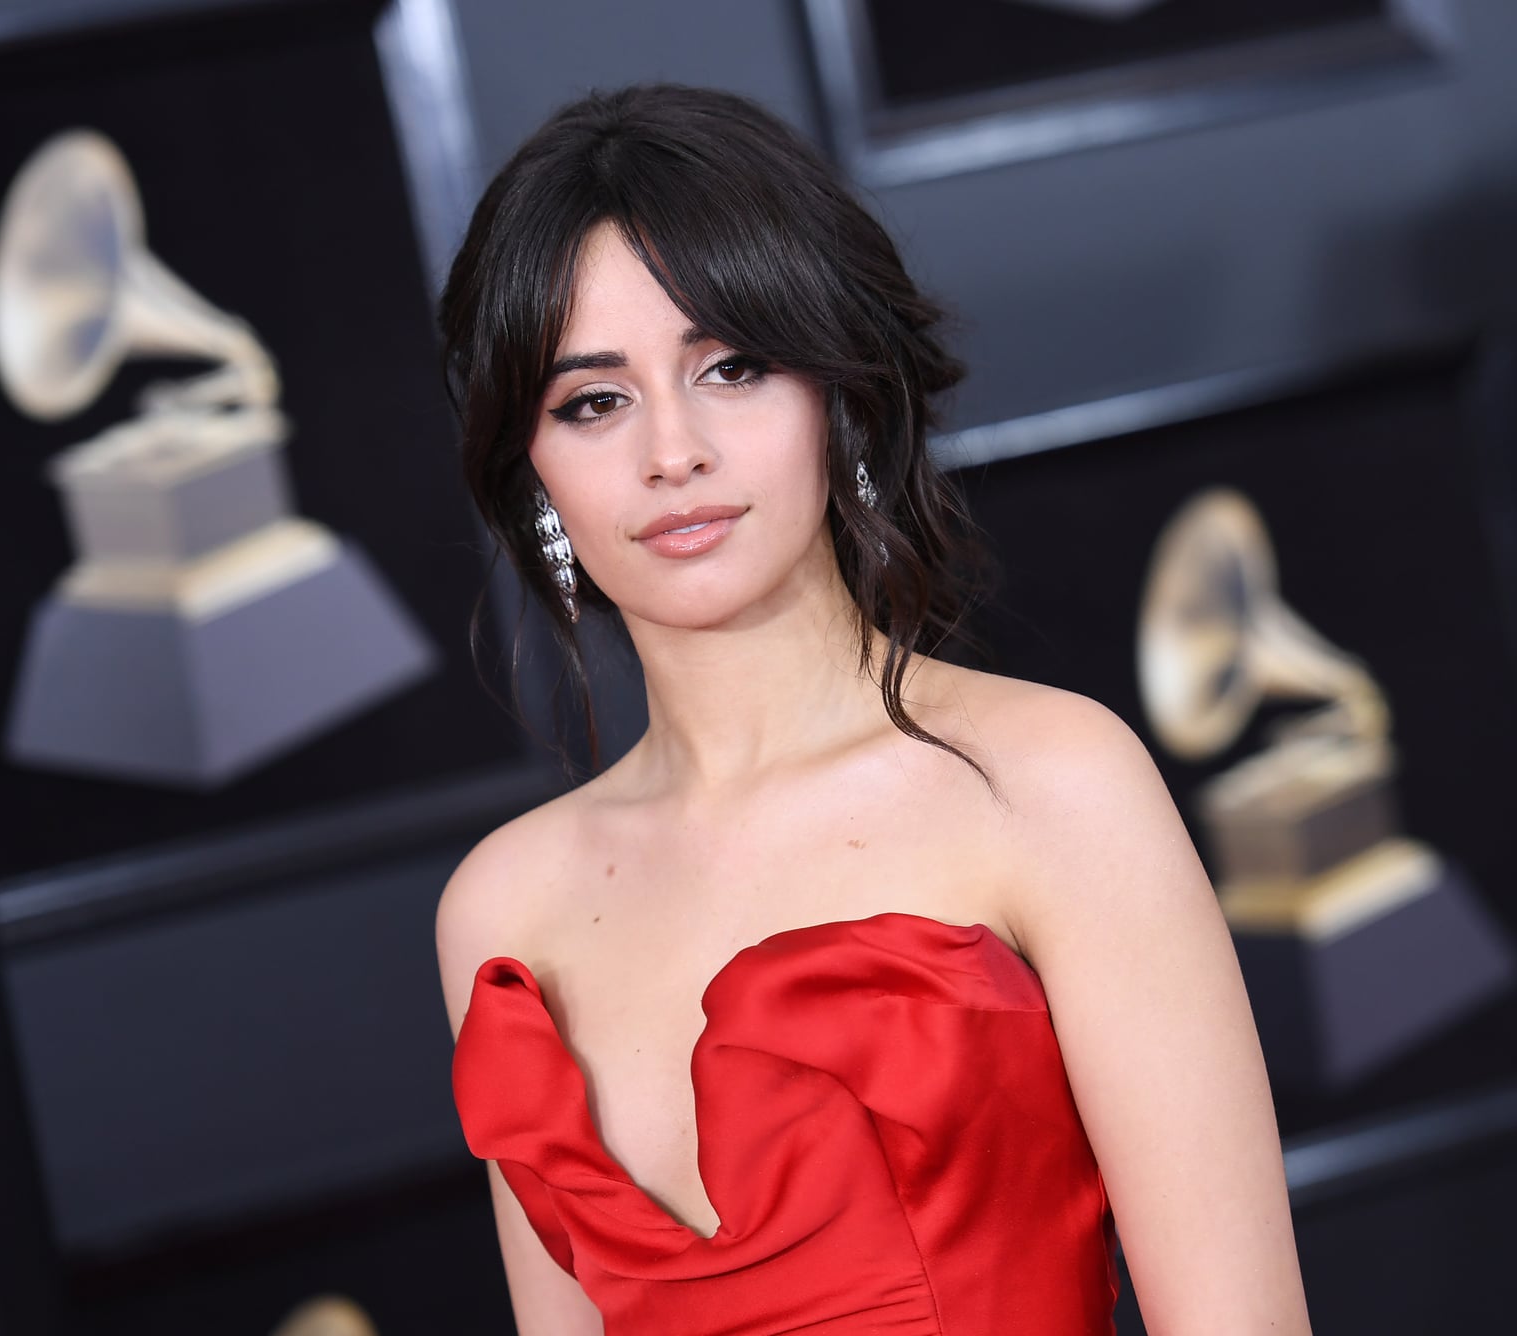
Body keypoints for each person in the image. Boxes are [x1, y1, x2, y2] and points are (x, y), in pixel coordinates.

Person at [431, 82, 1311, 1335]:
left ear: (835, 394)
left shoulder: (1043, 782)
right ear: (532, 476)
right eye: (594, 400)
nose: (670, 450)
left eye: (730, 366)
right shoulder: (501, 908)